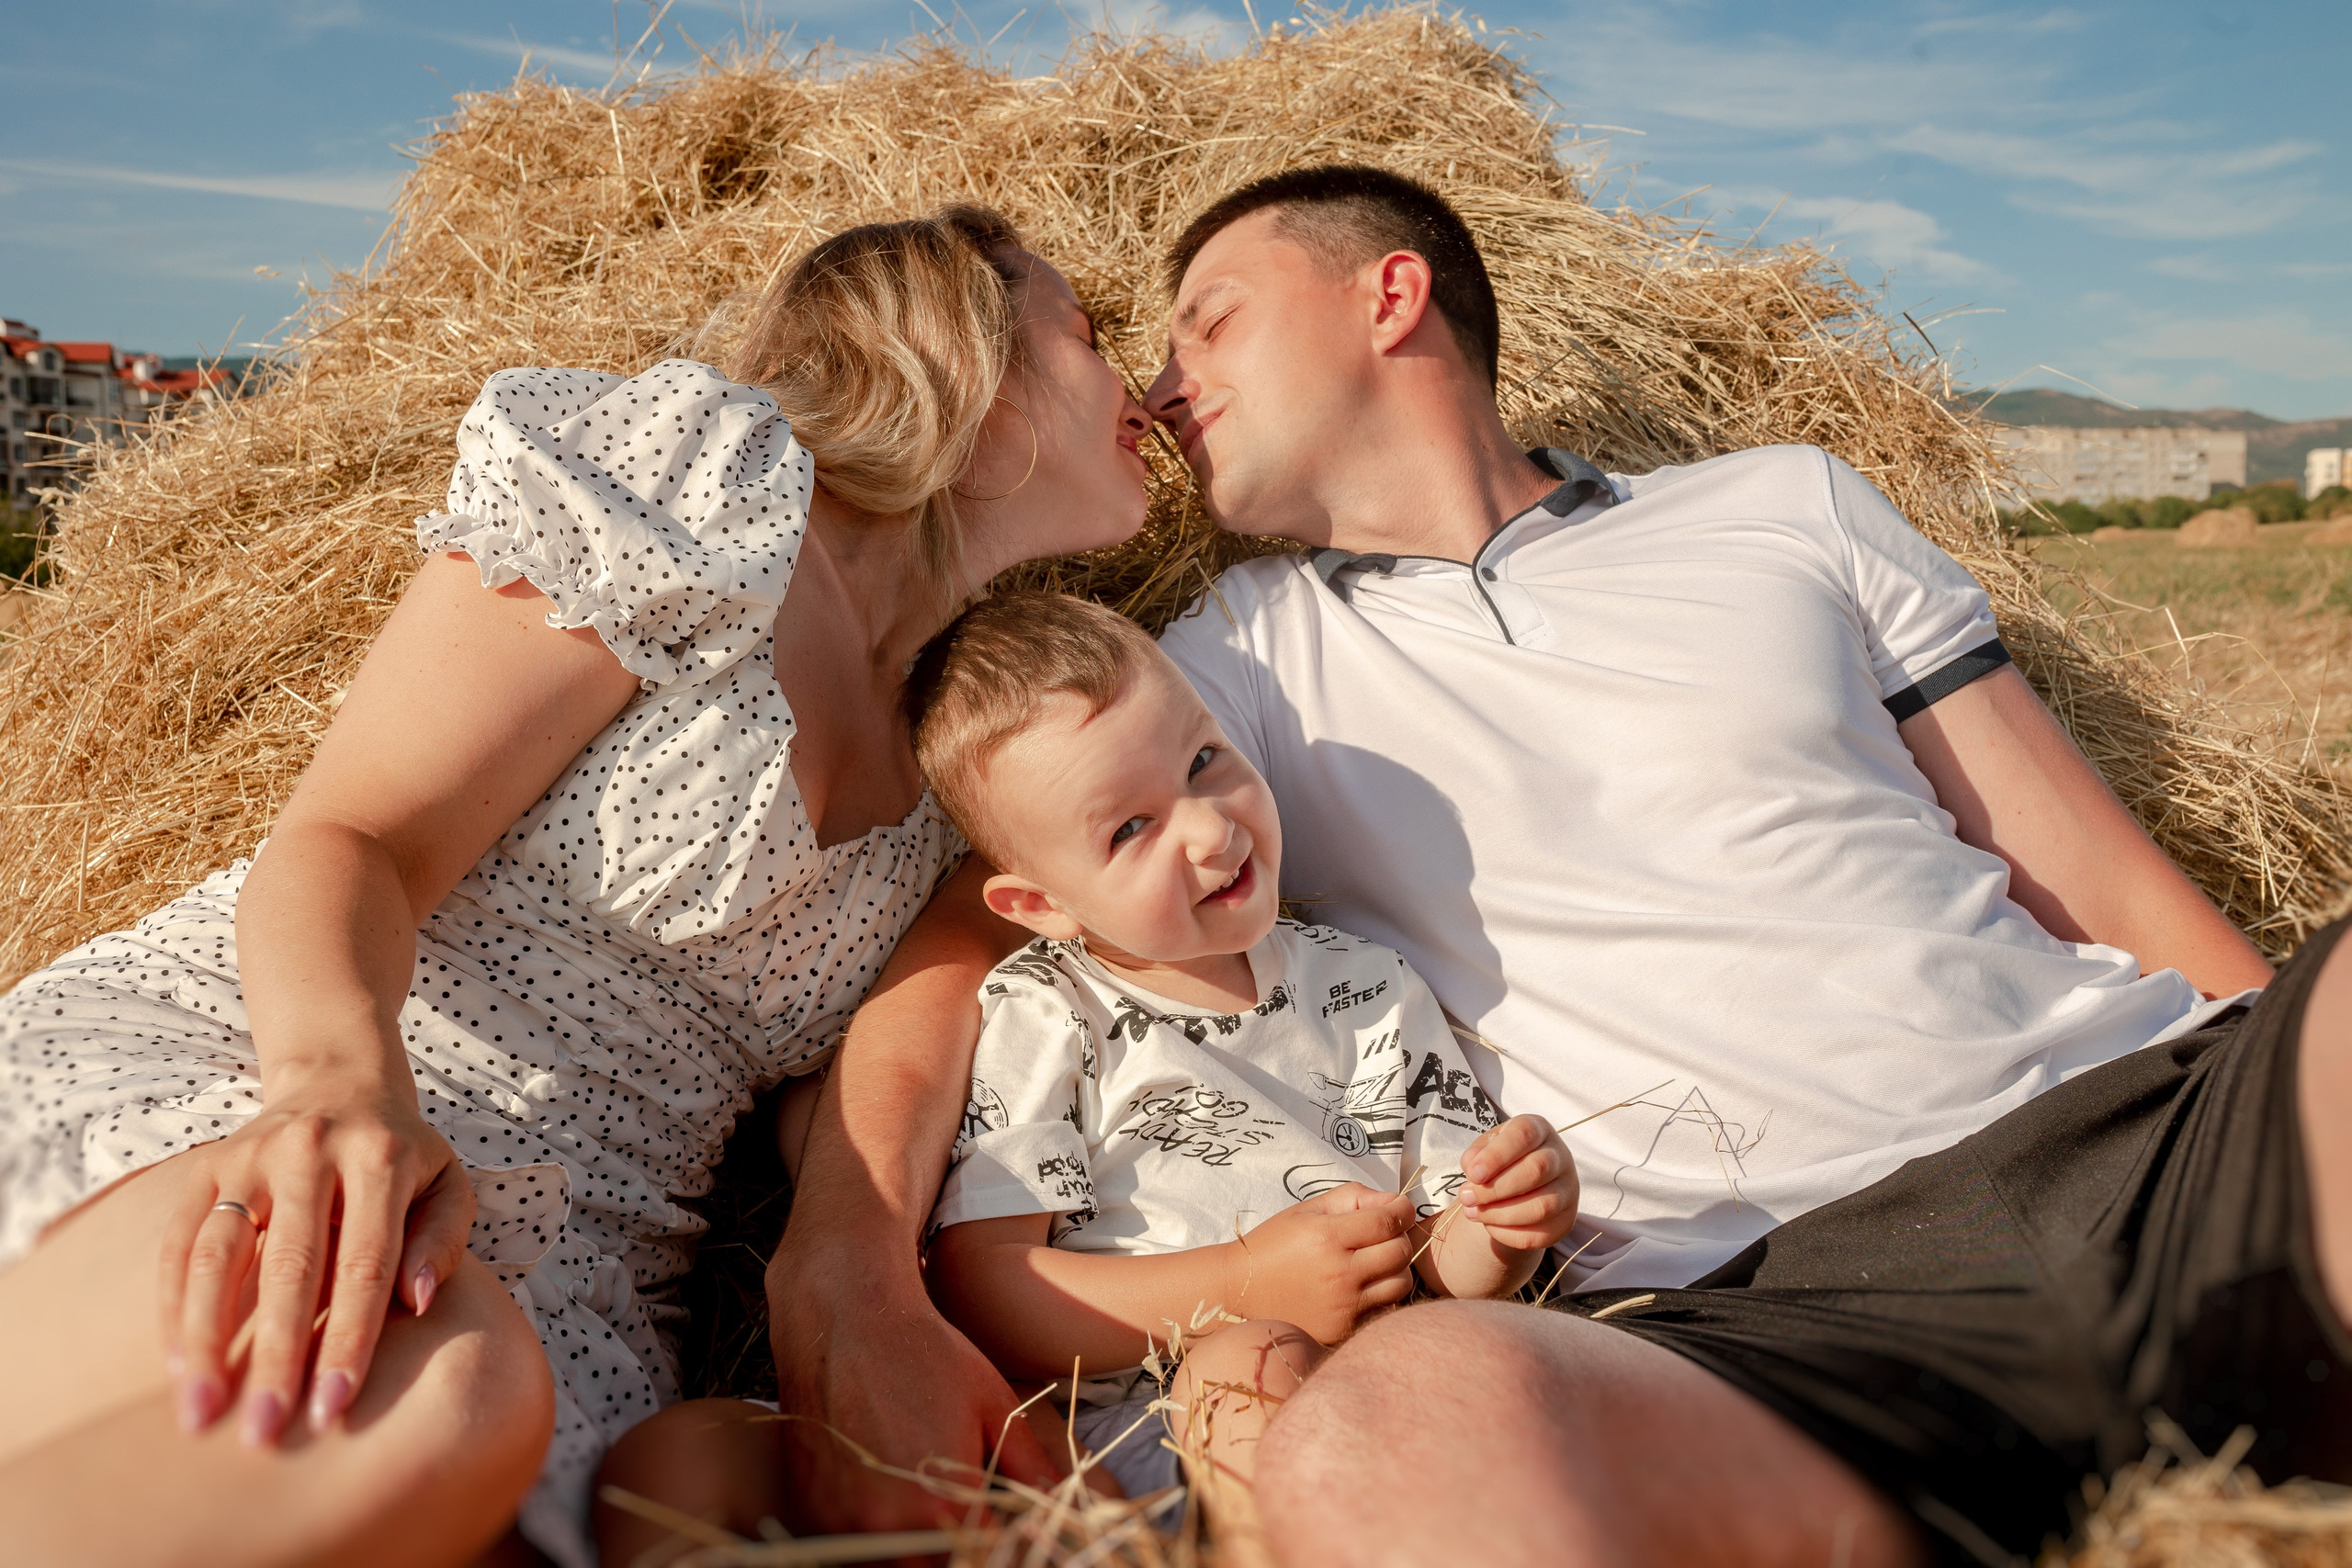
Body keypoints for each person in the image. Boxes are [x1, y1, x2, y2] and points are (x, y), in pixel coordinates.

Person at [766, 164, 2352, 1566]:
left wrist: (2288, 1086)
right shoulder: (1231, 663)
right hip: (1757, 1311)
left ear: (1390, 295)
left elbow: (2092, 870)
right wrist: (846, 1262)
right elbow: (984, 925)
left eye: (1210, 321)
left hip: (2146, 1138)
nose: (1166, 388)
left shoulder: (1786, 505)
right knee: (1398, 1423)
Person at [0, 205, 1151, 1567]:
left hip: (586, 1293)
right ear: (971, 356)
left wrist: (855, 1270)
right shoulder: (709, 481)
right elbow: (355, 838)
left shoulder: (968, 752)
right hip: (297, 1072)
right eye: (1087, 336)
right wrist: (339, 1094)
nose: (1137, 383)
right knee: (439, 1387)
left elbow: (896, 1056)